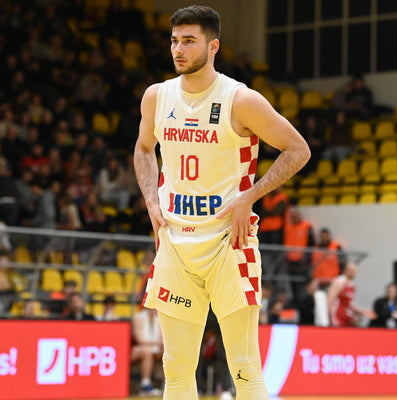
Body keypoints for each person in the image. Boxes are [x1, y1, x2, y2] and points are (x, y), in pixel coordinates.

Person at [133, 6, 310, 400]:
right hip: (175, 243)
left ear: (213, 46)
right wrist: (150, 198)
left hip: (229, 242)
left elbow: (298, 149)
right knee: (176, 367)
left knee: (244, 366)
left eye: (189, 41)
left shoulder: (239, 100)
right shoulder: (157, 97)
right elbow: (143, 149)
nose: (178, 49)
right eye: (174, 41)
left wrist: (250, 196)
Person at [327, 262, 375, 327]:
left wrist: (362, 311)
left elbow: (349, 304)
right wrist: (332, 318)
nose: (354, 273)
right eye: (352, 271)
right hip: (338, 316)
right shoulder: (339, 282)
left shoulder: (352, 284)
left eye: (355, 271)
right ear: (346, 271)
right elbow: (330, 300)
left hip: (347, 317)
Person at [284, 208, 315, 303]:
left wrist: (306, 256)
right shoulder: (288, 227)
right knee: (292, 283)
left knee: (303, 283)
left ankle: (303, 302)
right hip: (291, 260)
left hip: (302, 261)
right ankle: (295, 301)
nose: (294, 218)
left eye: (296, 216)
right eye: (293, 216)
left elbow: (311, 242)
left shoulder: (306, 226)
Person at [131, 308, 163, 396]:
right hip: (136, 349)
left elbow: (162, 340)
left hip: (154, 349)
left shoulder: (160, 318)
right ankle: (145, 384)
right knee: (146, 351)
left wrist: (160, 345)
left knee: (168, 351)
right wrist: (157, 343)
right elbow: (139, 340)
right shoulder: (138, 318)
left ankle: (169, 384)